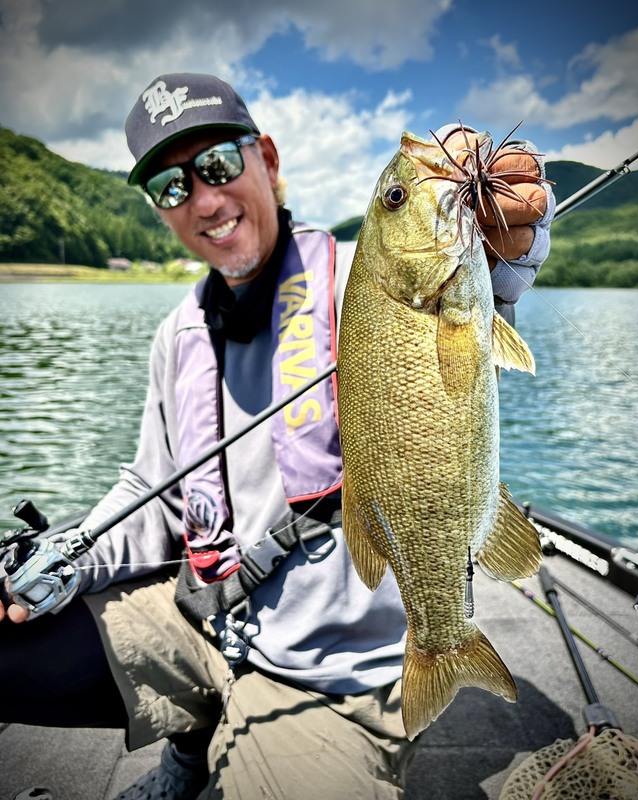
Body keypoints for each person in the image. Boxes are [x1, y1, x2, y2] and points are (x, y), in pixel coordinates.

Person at [0, 73, 554, 800]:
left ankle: (411, 671)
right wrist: (62, 561)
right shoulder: (179, 334)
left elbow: (487, 289)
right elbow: (151, 491)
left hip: (329, 675)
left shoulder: (361, 275)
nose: (203, 200)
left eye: (217, 165)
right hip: (207, 621)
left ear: (266, 157)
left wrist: (504, 243)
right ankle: (194, 738)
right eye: (170, 186)